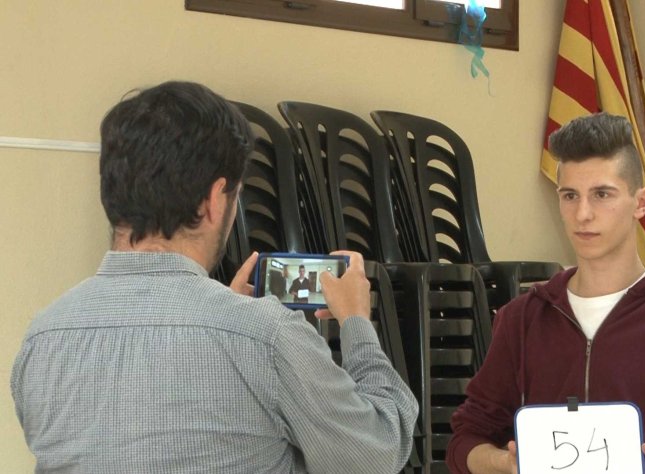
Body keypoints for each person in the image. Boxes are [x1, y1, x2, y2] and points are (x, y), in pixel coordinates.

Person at [10, 81, 418, 473]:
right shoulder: (268, 336)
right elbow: (375, 455)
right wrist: (357, 323)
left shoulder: (42, 338)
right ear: (212, 200)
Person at [446, 113, 645, 474]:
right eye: (570, 195)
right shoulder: (521, 320)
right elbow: (465, 441)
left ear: (641, 202)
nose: (583, 214)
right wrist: (503, 464)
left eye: (602, 195)